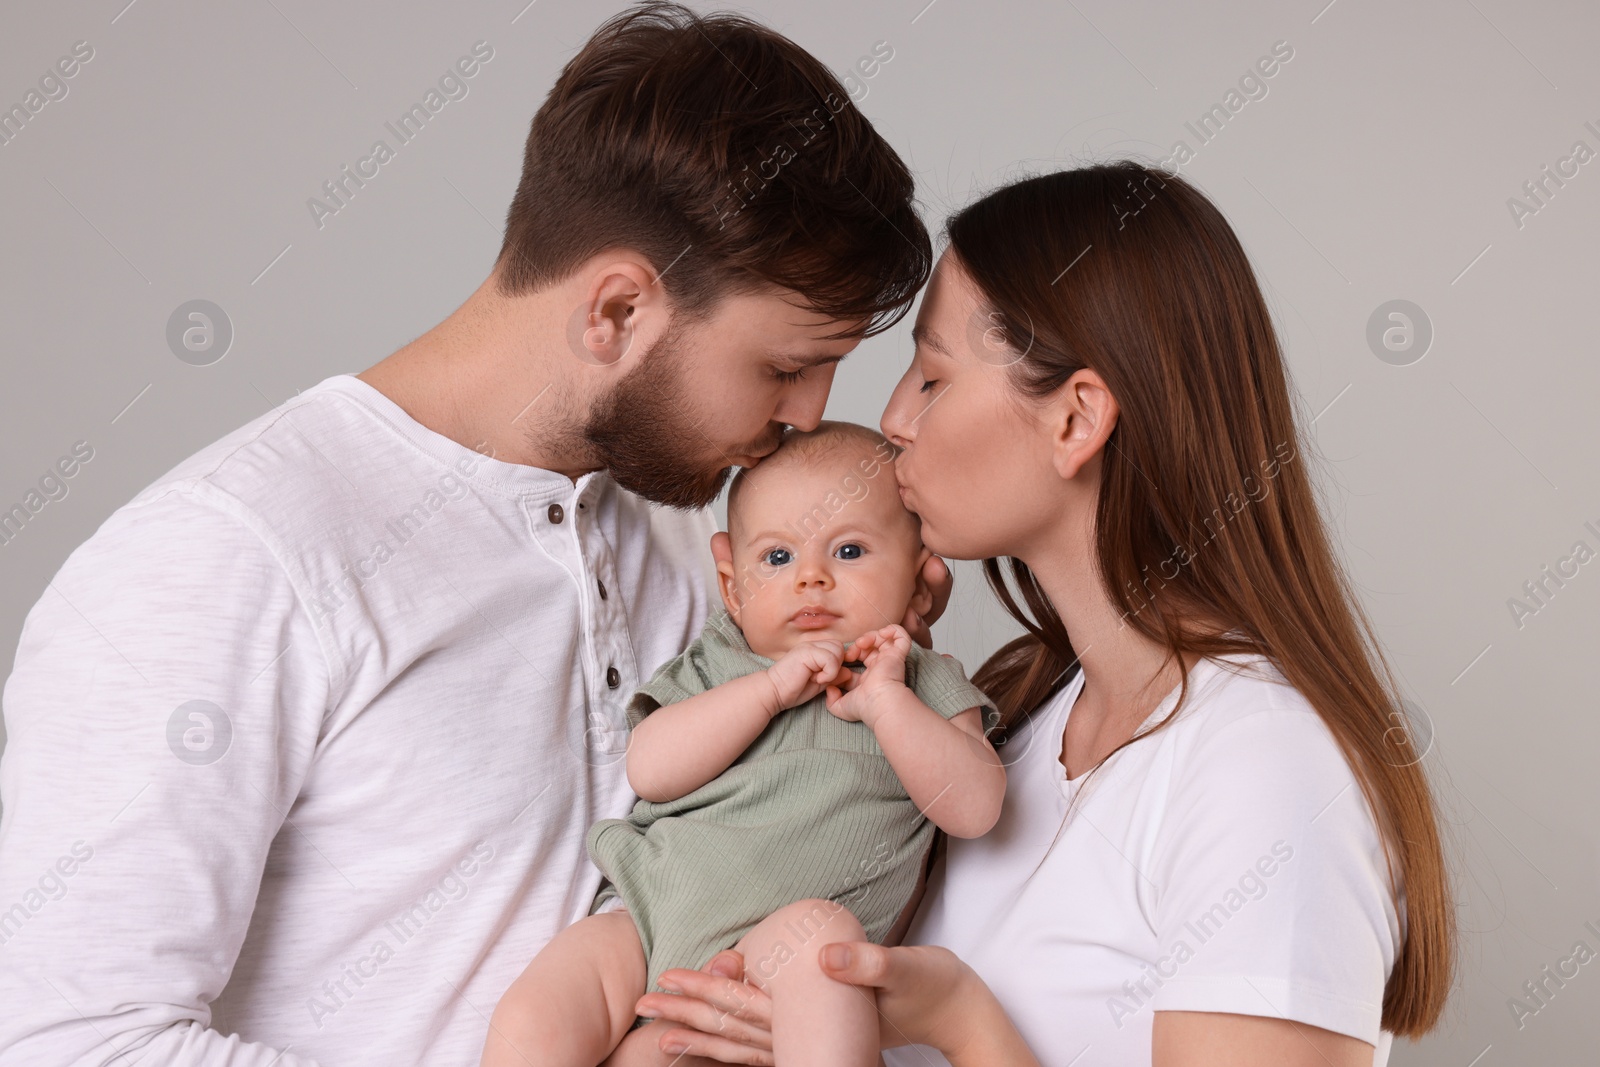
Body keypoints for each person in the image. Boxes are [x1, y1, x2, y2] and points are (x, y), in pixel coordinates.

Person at [0, 6, 945, 1065]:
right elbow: (71, 1041)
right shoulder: (222, 559)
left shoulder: (698, 557)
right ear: (619, 312)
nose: (811, 417)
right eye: (782, 367)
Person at [611, 164, 1456, 1067]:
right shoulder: (1016, 712)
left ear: (1075, 419)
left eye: (933, 377)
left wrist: (960, 1021)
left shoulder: (1263, 767)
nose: (891, 417)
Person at [479, 422, 1003, 1067]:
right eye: (777, 559)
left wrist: (887, 702)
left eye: (849, 552)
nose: (811, 578)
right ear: (732, 584)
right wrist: (766, 693)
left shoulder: (921, 681)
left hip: (774, 956)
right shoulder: (717, 663)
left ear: (921, 583)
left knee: (823, 950)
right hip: (643, 918)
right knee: (534, 1021)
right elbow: (650, 769)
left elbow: (975, 808)